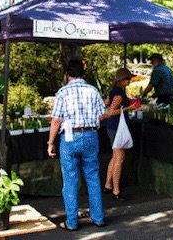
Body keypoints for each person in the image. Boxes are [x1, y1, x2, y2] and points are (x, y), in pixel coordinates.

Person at [47, 59, 106, 231]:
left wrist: (51, 142)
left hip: (69, 138)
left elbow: (56, 120)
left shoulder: (62, 92)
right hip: (90, 135)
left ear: (67, 74)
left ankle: (72, 222)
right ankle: (98, 217)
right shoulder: (93, 90)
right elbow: (102, 115)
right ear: (82, 73)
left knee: (71, 180)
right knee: (93, 177)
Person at [104, 68, 139, 201]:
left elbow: (107, 103)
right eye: (128, 79)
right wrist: (129, 108)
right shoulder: (118, 94)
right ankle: (116, 190)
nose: (129, 81)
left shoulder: (116, 92)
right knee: (120, 157)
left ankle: (108, 185)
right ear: (122, 80)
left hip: (114, 127)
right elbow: (112, 111)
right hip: (117, 127)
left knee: (115, 156)